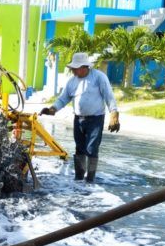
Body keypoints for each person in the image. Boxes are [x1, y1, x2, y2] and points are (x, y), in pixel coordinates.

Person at [40, 52, 120, 182]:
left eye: (75, 68)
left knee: (92, 148)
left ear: (84, 67)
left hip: (96, 119)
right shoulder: (72, 82)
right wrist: (52, 109)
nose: (72, 71)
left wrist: (114, 114)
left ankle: (90, 179)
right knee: (79, 148)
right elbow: (63, 98)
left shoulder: (99, 77)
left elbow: (109, 96)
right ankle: (78, 179)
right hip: (78, 119)